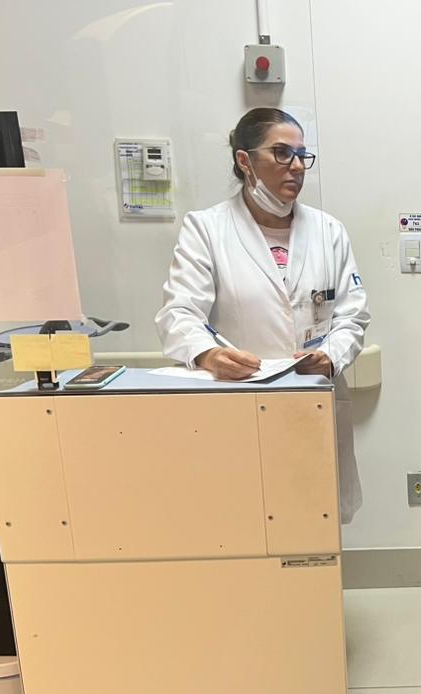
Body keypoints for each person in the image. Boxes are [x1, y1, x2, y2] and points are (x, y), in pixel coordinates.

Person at [155, 107, 370, 523]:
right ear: (245, 161)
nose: (297, 167)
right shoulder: (207, 229)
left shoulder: (328, 232)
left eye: (302, 155)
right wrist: (208, 355)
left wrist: (331, 356)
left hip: (313, 397)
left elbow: (353, 315)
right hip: (239, 401)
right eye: (282, 153)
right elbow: (179, 312)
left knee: (314, 523)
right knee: (245, 523)